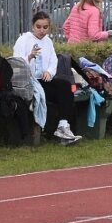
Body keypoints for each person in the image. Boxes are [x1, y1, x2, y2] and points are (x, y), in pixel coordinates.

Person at [13, 11, 82, 145]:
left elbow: (53, 61)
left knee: (66, 86)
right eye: (38, 27)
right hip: (28, 81)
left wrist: (49, 72)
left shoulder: (48, 41)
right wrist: (30, 57)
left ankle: (63, 126)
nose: (42, 30)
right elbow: (17, 63)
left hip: (43, 80)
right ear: (33, 26)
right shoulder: (23, 40)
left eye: (45, 27)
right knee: (58, 91)